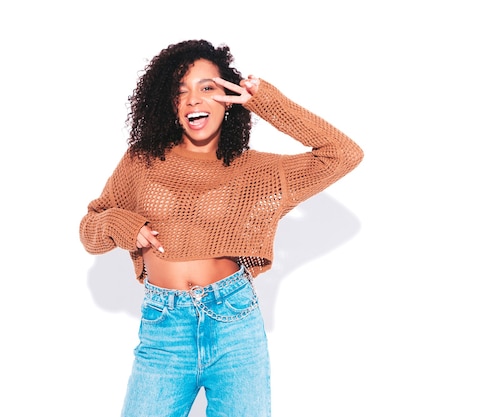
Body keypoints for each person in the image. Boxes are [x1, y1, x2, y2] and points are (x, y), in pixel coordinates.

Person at [78, 39, 364, 417]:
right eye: (181, 92)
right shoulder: (140, 162)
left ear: (228, 98)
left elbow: (343, 154)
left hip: (234, 322)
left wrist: (266, 101)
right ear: (169, 104)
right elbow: (90, 229)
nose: (194, 100)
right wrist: (121, 224)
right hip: (164, 329)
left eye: (207, 88)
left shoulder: (257, 172)